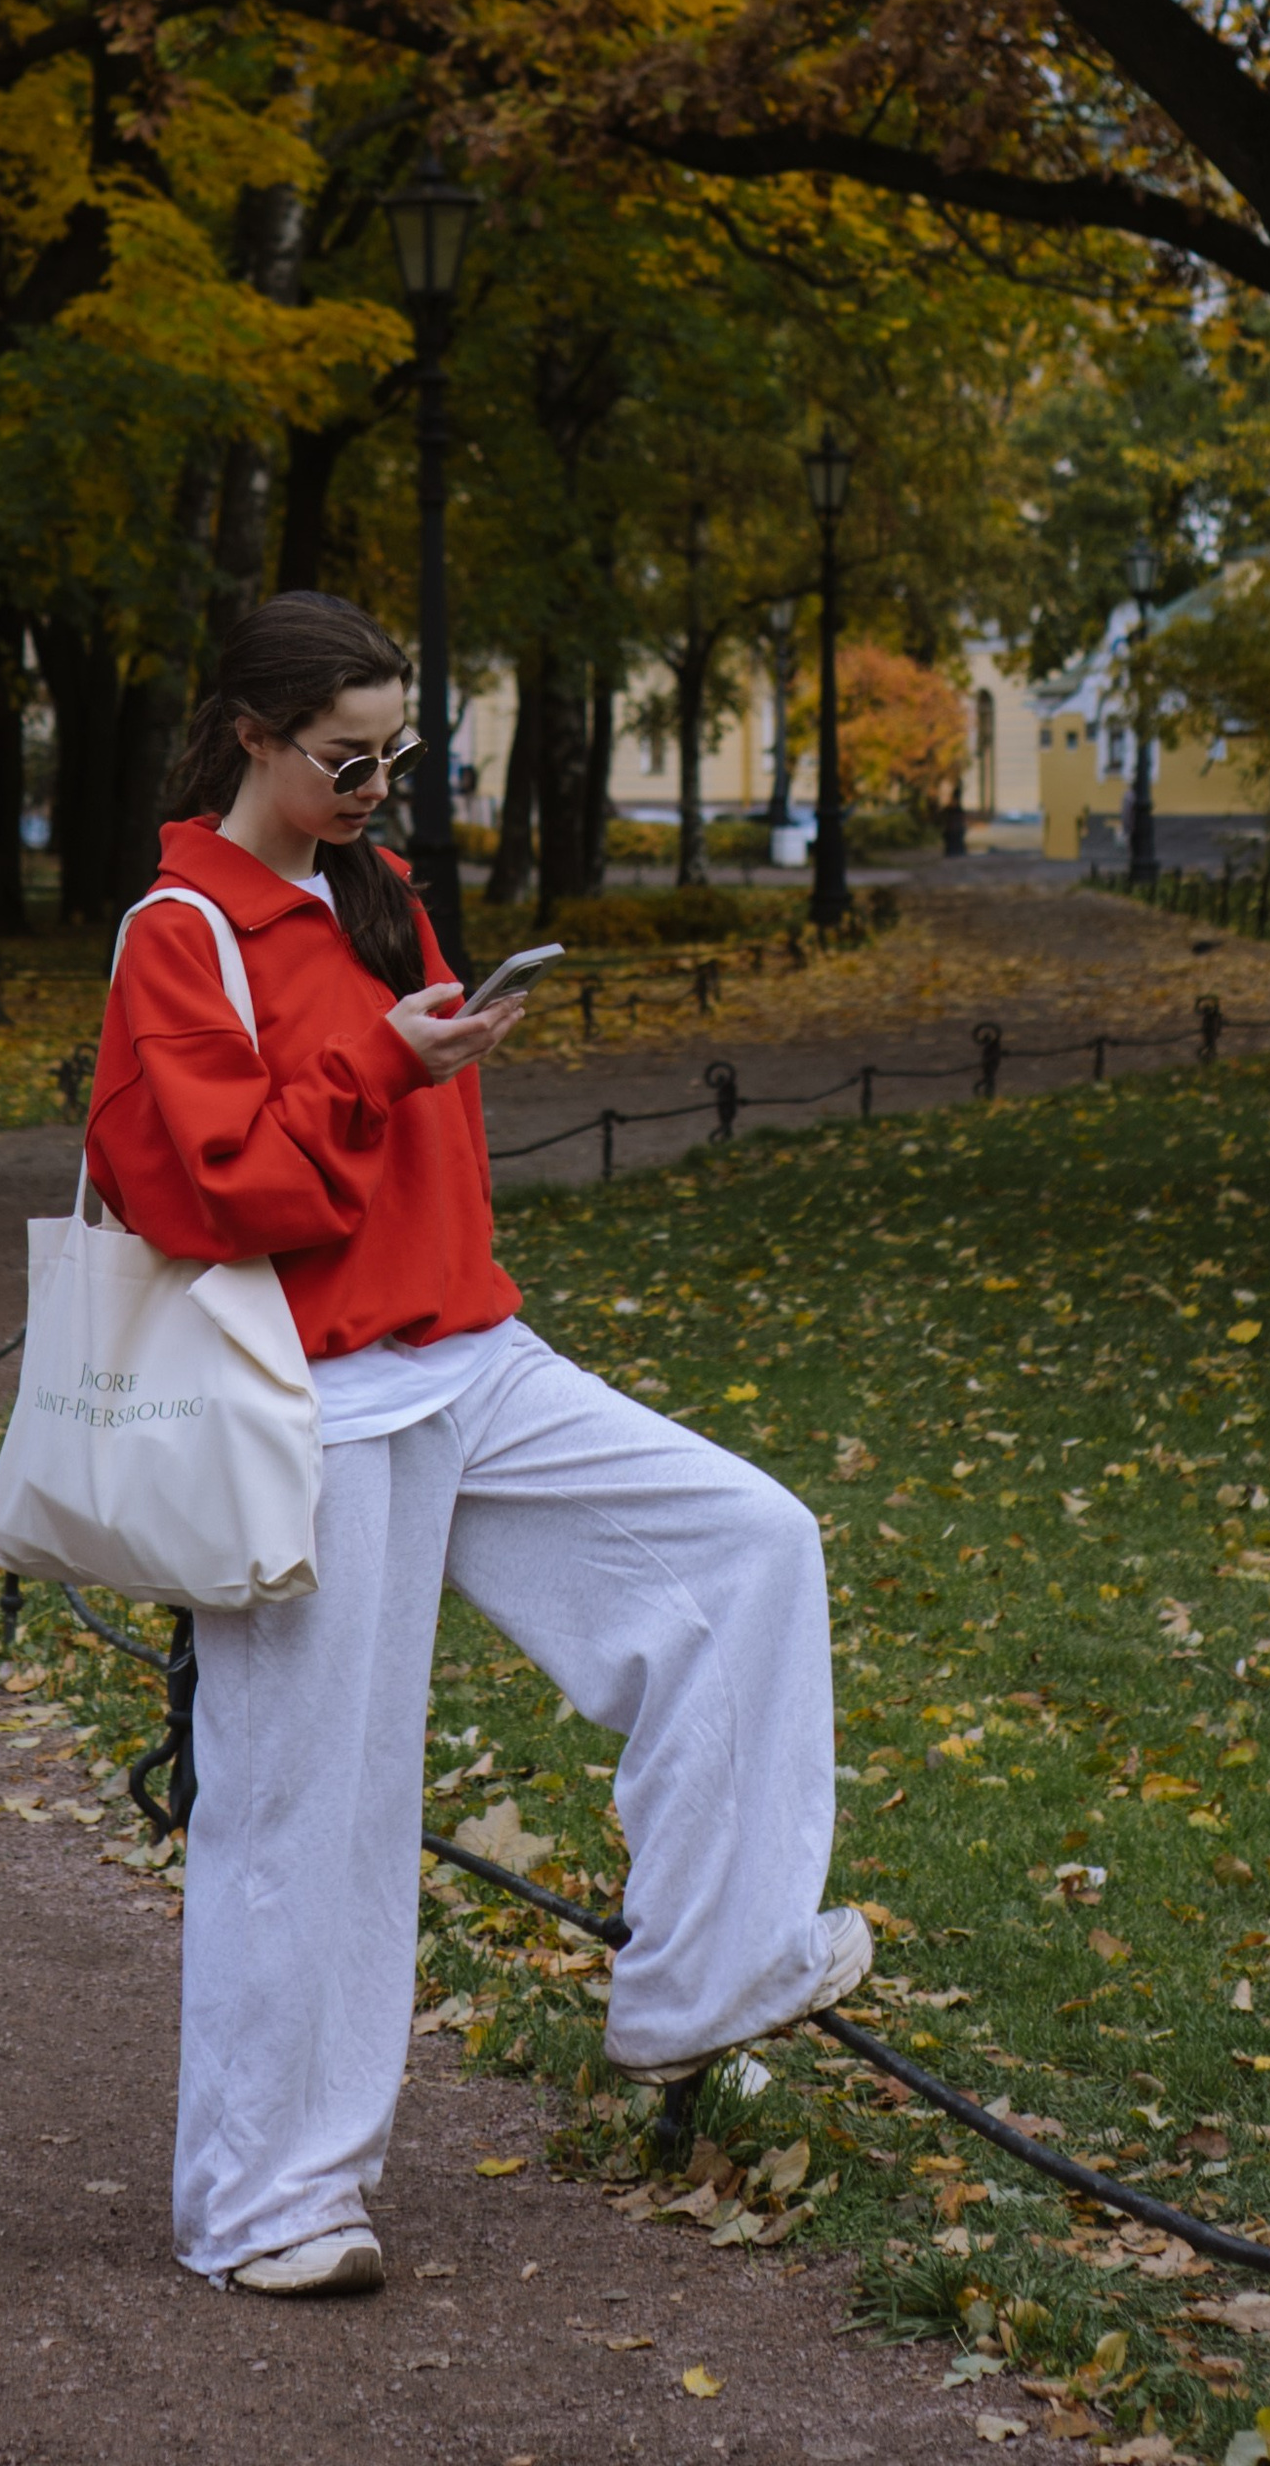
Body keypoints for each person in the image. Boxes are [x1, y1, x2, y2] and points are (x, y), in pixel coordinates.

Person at [84, 590, 866, 2299]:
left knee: (746, 1544)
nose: (378, 787)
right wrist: (382, 1066)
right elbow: (213, 1191)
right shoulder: (180, 930)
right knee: (313, 1801)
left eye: (398, 754)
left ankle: (704, 1977)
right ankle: (270, 2203)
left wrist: (421, 1059)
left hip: (470, 1354)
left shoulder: (374, 891)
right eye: (345, 759)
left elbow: (409, 1149)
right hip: (307, 1398)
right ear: (251, 739)